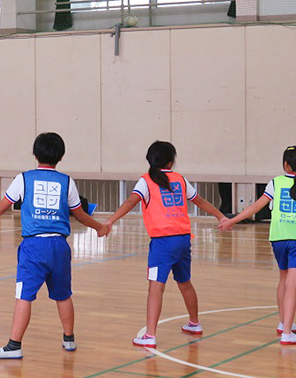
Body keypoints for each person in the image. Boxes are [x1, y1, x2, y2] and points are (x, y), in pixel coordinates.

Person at [0, 132, 109, 359]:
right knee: (63, 294)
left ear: (35, 153)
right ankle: (69, 339)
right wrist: (99, 227)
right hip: (59, 246)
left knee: (24, 296)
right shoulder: (66, 181)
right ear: (61, 156)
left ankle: (14, 345)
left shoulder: (24, 178)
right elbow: (79, 214)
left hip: (34, 247)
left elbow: (2, 207)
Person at [107, 141, 224, 348]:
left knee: (155, 287)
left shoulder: (146, 181)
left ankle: (150, 335)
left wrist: (110, 221)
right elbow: (200, 201)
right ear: (171, 161)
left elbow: (129, 202)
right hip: (183, 239)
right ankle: (194, 323)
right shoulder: (179, 179)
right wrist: (220, 216)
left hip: (163, 243)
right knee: (185, 282)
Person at [218, 146, 296, 345]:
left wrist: (232, 220)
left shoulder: (275, 183)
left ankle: (282, 323)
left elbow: (255, 207)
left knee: (284, 278)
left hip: (278, 238)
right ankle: (287, 332)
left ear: (285, 165)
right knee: (292, 284)